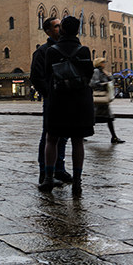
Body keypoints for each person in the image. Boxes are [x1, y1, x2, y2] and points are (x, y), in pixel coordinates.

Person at [42, 16, 94, 195]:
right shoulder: (84, 51)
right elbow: (89, 75)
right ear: (78, 31)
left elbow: (48, 76)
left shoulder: (52, 51)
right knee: (77, 141)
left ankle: (48, 179)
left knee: (52, 139)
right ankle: (77, 183)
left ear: (62, 30)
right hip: (80, 102)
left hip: (59, 101)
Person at [31, 16, 70, 189]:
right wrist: (49, 94)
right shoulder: (42, 52)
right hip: (53, 100)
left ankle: (59, 169)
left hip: (67, 99)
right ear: (47, 31)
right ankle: (45, 173)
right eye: (56, 26)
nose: (60, 29)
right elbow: (36, 78)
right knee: (49, 137)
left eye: (61, 26)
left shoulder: (66, 49)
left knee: (63, 136)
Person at [90, 57, 124, 144]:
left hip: (103, 101)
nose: (105, 63)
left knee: (108, 118)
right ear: (99, 63)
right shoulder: (96, 71)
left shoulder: (103, 72)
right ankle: (80, 135)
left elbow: (112, 81)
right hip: (99, 100)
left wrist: (109, 75)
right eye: (103, 62)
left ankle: (114, 137)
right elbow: (93, 83)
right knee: (94, 119)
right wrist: (104, 84)